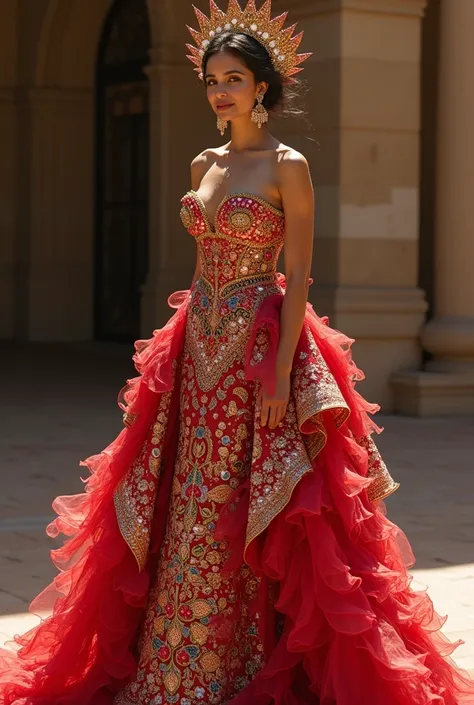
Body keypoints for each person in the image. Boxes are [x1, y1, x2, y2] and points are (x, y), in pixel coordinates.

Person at [1, 1, 474, 704]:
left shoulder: (289, 166)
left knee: (263, 499)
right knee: (185, 494)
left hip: (262, 339)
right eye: (212, 80)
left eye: (234, 78)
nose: (221, 92)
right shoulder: (204, 160)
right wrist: (183, 350)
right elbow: (199, 268)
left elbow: (300, 276)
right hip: (199, 342)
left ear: (263, 86)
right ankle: (179, 655)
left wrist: (280, 369)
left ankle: (248, 655)